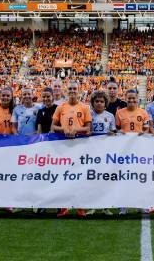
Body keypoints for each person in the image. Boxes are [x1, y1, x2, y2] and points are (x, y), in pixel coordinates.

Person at [52, 81, 92, 218]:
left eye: (75, 89)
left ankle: (80, 207)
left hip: (80, 145)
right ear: (66, 91)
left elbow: (88, 129)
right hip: (63, 146)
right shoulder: (60, 107)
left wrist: (76, 130)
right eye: (70, 89)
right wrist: (64, 129)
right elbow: (53, 127)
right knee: (64, 176)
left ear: (79, 90)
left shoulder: (85, 107)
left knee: (80, 176)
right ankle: (64, 207)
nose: (73, 91)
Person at [86, 90, 116, 216]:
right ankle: (92, 205)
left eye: (101, 101)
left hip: (105, 151)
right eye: (97, 101)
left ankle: (105, 206)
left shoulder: (110, 116)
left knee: (105, 178)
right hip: (91, 151)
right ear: (92, 103)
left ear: (105, 103)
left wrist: (112, 134)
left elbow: (115, 133)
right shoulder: (88, 115)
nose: (99, 103)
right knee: (92, 179)